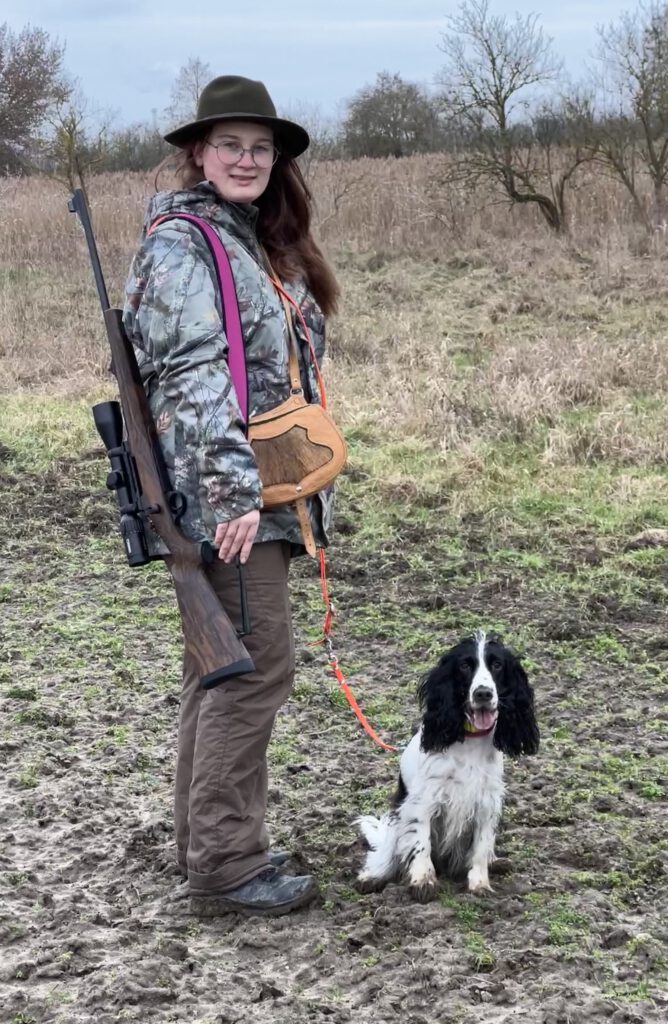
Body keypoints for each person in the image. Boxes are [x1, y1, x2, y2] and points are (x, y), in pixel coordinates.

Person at [123, 75, 340, 915]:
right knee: (255, 670)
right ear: (198, 154)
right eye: (230, 145)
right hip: (233, 499)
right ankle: (226, 863)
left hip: (256, 487)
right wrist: (231, 493)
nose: (247, 160)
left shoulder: (246, 240)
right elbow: (191, 377)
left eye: (260, 148)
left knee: (223, 668)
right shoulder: (186, 246)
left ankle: (205, 845)